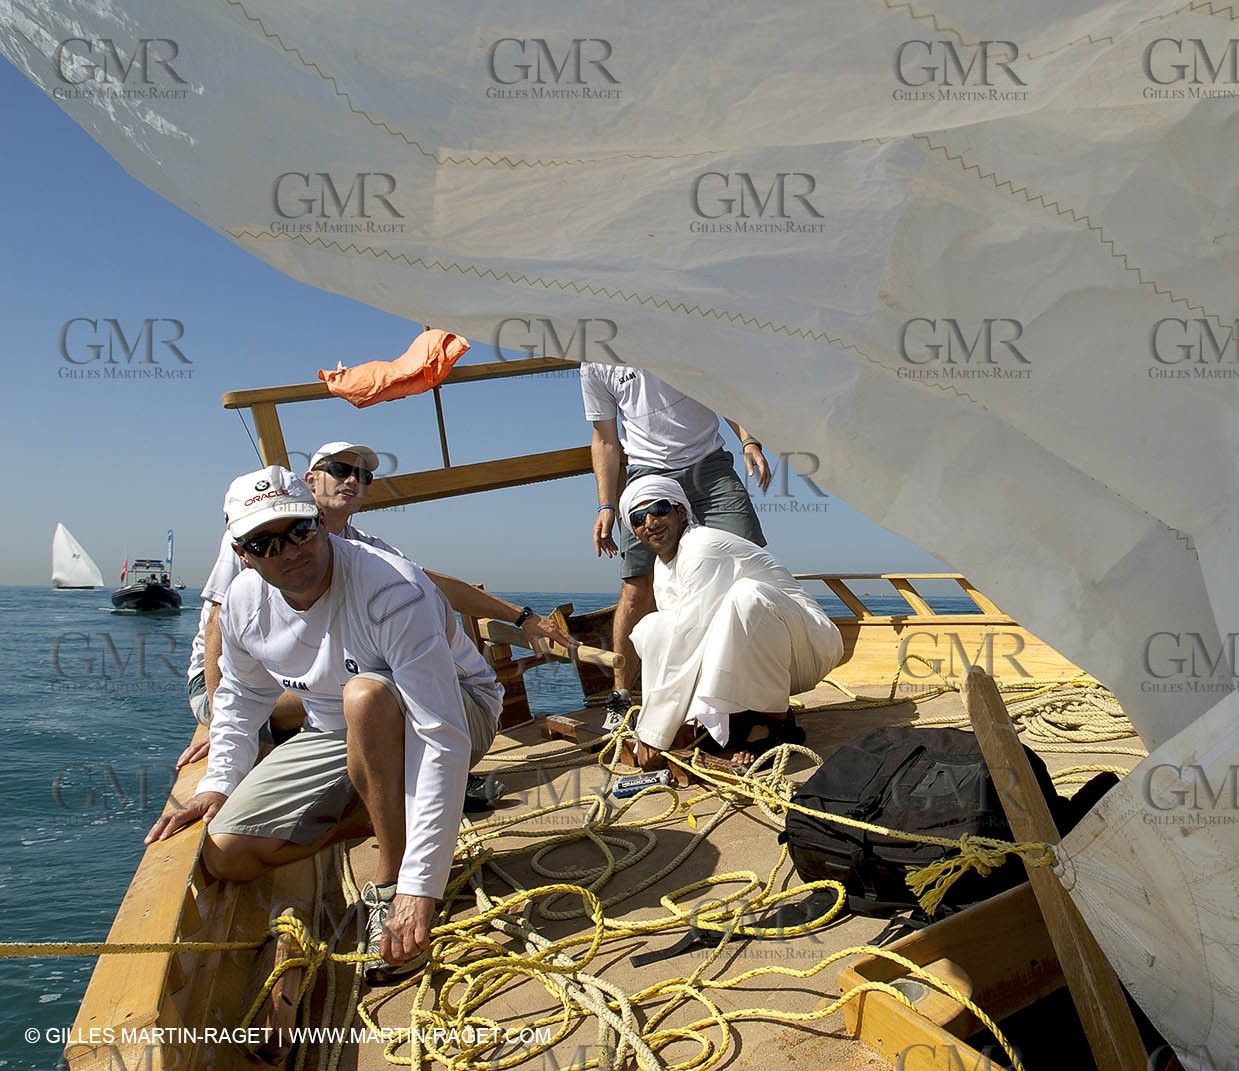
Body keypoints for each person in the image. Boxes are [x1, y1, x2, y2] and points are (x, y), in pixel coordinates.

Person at [148, 467, 502, 985]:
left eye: (299, 530)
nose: (289, 551)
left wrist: (419, 888)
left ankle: (388, 877)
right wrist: (218, 783)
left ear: (321, 524)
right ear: (241, 555)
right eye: (264, 543)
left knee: (365, 696)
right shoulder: (243, 606)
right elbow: (243, 698)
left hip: (459, 710)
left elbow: (440, 736)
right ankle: (377, 815)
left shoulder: (393, 589)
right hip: (333, 728)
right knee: (228, 854)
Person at [180, 441, 571, 767]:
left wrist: (523, 616)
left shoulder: (364, 549)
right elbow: (217, 627)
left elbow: (436, 585)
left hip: (311, 680)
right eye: (340, 470)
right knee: (364, 692)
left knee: (380, 686)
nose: (353, 480)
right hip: (225, 679)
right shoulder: (259, 536)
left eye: (363, 476)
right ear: (309, 481)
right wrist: (220, 724)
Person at [581, 363, 772, 727]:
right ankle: (621, 697)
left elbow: (725, 386)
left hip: (709, 465)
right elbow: (605, 439)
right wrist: (606, 504)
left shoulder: (677, 317)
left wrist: (749, 439)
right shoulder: (593, 359)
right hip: (647, 474)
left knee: (752, 571)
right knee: (637, 588)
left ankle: (759, 687)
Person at [619, 476, 843, 770]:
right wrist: (670, 726)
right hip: (757, 653)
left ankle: (770, 722)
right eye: (638, 518)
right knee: (653, 627)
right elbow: (676, 641)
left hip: (808, 648)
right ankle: (727, 723)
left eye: (659, 509)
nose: (650, 522)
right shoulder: (663, 568)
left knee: (746, 596)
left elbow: (688, 640)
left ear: (682, 512)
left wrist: (652, 732)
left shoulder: (702, 548)